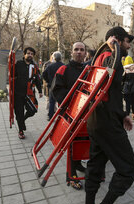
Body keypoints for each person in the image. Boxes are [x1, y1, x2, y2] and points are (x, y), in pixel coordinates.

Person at [82, 27, 134, 204]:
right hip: (106, 123)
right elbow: (110, 83)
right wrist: (114, 49)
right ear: (117, 40)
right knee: (129, 168)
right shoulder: (108, 56)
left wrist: (123, 114)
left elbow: (108, 93)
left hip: (97, 120)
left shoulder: (103, 57)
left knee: (95, 167)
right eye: (127, 41)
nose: (129, 45)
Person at [52, 42, 87, 190]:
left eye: (82, 50)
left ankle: (78, 164)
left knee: (82, 141)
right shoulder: (63, 69)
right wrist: (75, 101)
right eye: (76, 50)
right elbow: (56, 90)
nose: (79, 52)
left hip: (85, 114)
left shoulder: (88, 70)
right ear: (71, 52)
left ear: (85, 53)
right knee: (71, 144)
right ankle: (71, 175)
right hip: (70, 114)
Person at [14, 47, 43, 139]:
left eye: (32, 54)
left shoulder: (34, 66)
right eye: (28, 53)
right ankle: (21, 130)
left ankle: (22, 120)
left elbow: (38, 79)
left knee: (33, 109)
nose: (30, 55)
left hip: (30, 93)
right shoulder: (18, 64)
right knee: (19, 112)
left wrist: (40, 91)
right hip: (18, 93)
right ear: (24, 54)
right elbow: (12, 75)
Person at [42, 51, 64, 121]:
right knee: (61, 102)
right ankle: (61, 116)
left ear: (54, 58)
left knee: (52, 102)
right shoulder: (64, 66)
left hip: (52, 86)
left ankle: (50, 116)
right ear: (61, 58)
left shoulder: (50, 66)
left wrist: (49, 81)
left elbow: (43, 75)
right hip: (61, 86)